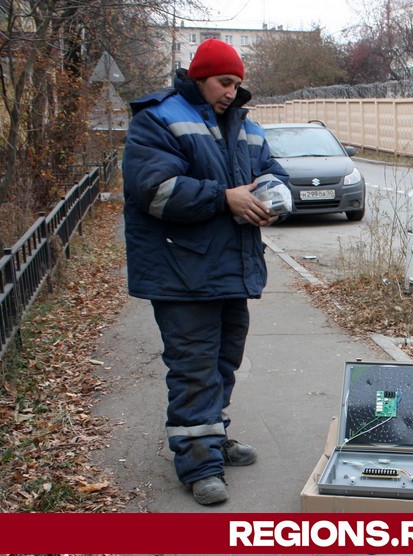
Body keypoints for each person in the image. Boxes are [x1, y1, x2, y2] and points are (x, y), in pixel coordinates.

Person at [122, 39, 289, 505]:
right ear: (199, 77)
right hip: (180, 272)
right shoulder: (158, 119)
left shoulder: (246, 127)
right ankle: (199, 466)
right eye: (224, 82)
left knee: (222, 363)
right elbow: (154, 191)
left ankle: (211, 439)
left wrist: (274, 197)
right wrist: (225, 197)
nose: (232, 92)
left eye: (237, 83)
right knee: (194, 368)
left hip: (230, 269)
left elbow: (273, 172)